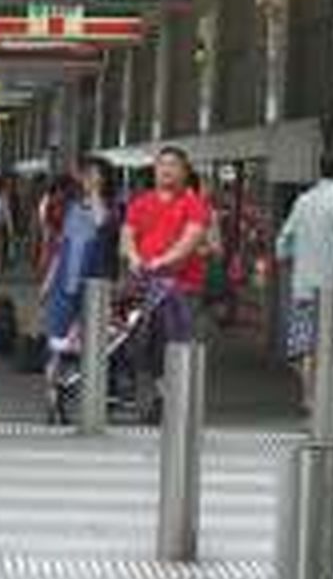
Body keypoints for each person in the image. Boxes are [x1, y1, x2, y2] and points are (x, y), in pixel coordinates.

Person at [122, 146, 211, 418]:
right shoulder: (141, 202)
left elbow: (191, 238)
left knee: (178, 343)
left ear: (185, 172)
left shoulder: (194, 204)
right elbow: (127, 234)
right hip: (145, 287)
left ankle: (174, 402)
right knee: (148, 345)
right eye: (162, 164)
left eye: (173, 165)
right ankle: (163, 395)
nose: (167, 170)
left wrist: (164, 260)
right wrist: (134, 256)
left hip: (182, 288)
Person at [275, 150, 333, 413]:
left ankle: (309, 394)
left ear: (319, 168)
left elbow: (283, 241)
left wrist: (290, 261)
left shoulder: (303, 201)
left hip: (303, 286)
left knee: (304, 345)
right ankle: (322, 391)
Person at [42, 157, 119, 420]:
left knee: (92, 345)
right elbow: (61, 248)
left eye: (93, 174)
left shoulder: (111, 208)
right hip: (64, 286)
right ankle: (53, 401)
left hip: (94, 290)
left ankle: (89, 400)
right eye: (85, 174)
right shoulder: (73, 208)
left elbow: (100, 223)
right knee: (56, 344)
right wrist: (48, 282)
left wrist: (96, 192)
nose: (86, 178)